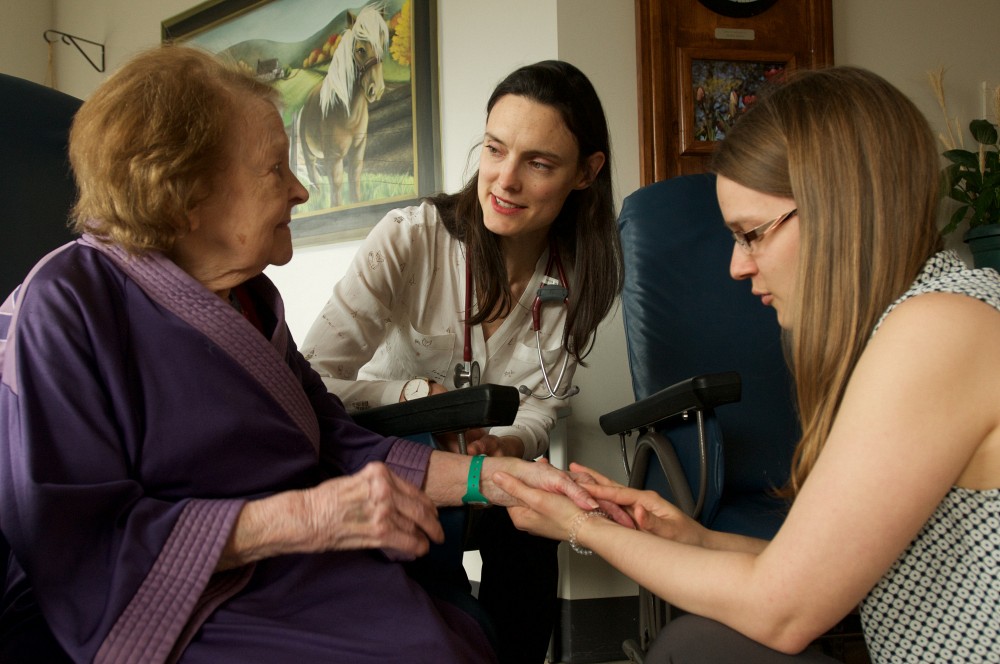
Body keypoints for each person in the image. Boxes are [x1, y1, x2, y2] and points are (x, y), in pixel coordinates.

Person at [0, 45, 612, 664]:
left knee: (453, 639)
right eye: (275, 169)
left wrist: (496, 479)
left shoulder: (252, 299)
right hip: (186, 599)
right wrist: (304, 518)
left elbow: (336, 440)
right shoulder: (67, 303)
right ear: (182, 190)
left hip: (295, 567)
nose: (301, 189)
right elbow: (74, 543)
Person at [493, 66, 1000, 664]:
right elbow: (818, 576)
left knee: (697, 649)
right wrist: (697, 539)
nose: (738, 266)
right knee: (698, 643)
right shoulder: (930, 316)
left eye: (751, 234)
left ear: (838, 211)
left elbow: (783, 612)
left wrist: (580, 529)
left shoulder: (940, 330)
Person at [300, 60, 622, 663]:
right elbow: (309, 383)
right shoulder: (409, 240)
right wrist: (414, 399)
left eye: (540, 163)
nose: (504, 179)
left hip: (487, 464)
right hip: (398, 453)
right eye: (496, 149)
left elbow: (541, 403)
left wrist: (510, 448)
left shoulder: (578, 274)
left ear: (587, 173)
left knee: (533, 518)